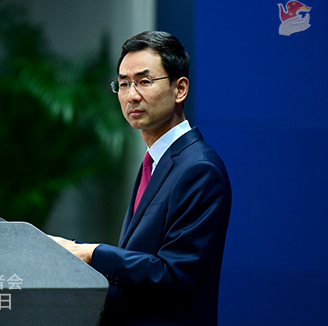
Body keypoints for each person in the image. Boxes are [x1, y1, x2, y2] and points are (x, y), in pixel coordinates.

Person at [50, 31, 232, 326]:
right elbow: (140, 257)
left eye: (144, 82)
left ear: (180, 89)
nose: (131, 95)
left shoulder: (200, 168)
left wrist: (92, 253)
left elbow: (174, 274)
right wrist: (71, 249)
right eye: (123, 84)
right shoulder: (156, 161)